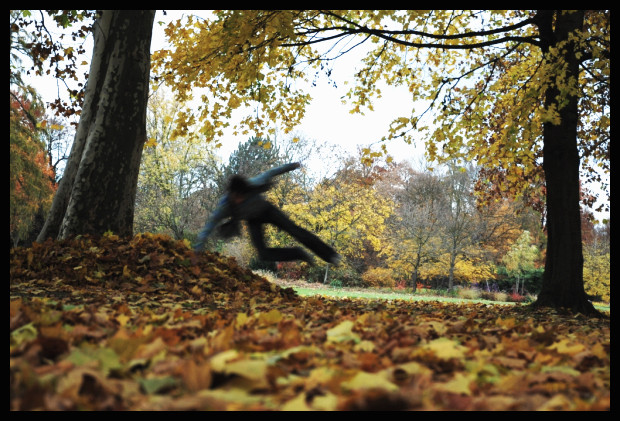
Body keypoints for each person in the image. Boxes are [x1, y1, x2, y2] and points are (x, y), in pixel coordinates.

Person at [194, 162, 341, 266]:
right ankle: (298, 253)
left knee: (296, 231)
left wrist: (291, 166)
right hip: (253, 221)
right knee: (263, 254)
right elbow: (209, 227)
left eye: (242, 197)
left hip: (268, 211)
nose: (239, 200)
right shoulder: (224, 207)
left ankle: (330, 255)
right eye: (236, 198)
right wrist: (197, 250)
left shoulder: (253, 184)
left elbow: (271, 172)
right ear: (231, 194)